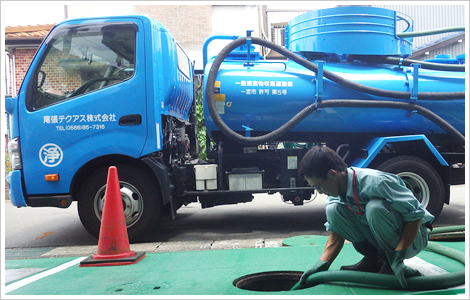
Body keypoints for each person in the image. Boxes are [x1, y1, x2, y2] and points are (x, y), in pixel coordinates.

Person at [297, 145, 434, 288]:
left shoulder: (376, 182)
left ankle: (389, 263)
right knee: (333, 210)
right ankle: (373, 260)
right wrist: (320, 265)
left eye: (319, 186)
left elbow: (415, 217)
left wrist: (397, 258)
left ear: (332, 174)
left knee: (375, 208)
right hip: (383, 240)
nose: (319, 192)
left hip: (415, 238)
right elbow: (336, 236)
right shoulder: (334, 195)